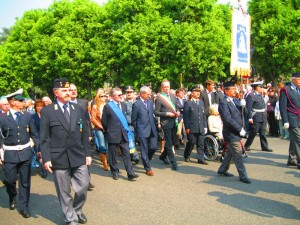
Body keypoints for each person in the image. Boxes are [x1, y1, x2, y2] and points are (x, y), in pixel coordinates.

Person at [40, 78, 92, 225]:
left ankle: (77, 210)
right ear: (56, 92)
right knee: (64, 192)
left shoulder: (78, 109)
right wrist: (46, 158)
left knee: (83, 186)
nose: (68, 92)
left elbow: (84, 133)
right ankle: (70, 218)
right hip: (59, 157)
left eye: (69, 90)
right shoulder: (48, 111)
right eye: (64, 90)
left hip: (78, 155)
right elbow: (45, 138)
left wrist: (87, 154)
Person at [0, 88, 39, 218]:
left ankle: (24, 207)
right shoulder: (3, 118)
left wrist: (39, 150)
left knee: (25, 182)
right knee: (10, 180)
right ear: (12, 102)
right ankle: (12, 196)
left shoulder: (27, 116)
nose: (24, 102)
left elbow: (34, 134)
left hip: (25, 153)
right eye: (21, 100)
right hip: (10, 154)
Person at [101, 87, 139, 181]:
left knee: (126, 153)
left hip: (123, 133)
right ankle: (114, 171)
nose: (121, 96)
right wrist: (109, 130)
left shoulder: (124, 105)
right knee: (113, 154)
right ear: (113, 96)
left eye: (121, 94)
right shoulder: (108, 106)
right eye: (118, 95)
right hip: (113, 133)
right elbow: (104, 122)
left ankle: (130, 173)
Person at [217, 82, 251, 184]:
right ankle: (243, 175)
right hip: (231, 133)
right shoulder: (223, 102)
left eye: (235, 89)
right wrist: (239, 129)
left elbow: (245, 113)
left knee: (230, 153)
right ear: (226, 91)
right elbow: (227, 119)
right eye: (232, 89)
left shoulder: (236, 100)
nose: (235, 91)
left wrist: (244, 106)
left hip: (237, 131)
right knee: (238, 154)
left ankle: (222, 169)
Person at [132, 86, 158, 176]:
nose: (150, 96)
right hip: (142, 130)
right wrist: (138, 130)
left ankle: (146, 159)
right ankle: (148, 168)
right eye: (148, 94)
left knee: (154, 147)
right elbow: (134, 119)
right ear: (142, 94)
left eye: (150, 94)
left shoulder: (150, 103)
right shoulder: (136, 104)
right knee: (144, 149)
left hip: (152, 129)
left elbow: (152, 115)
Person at [155, 80, 180, 170]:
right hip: (166, 123)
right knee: (169, 143)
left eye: (168, 87)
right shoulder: (159, 98)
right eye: (165, 87)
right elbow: (156, 112)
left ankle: (162, 156)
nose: (167, 88)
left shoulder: (173, 97)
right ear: (162, 88)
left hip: (174, 122)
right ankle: (174, 163)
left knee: (173, 141)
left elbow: (177, 108)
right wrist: (166, 114)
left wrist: (177, 112)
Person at [244, 81, 273, 152]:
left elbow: (264, 105)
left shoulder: (260, 95)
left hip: (262, 115)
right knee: (253, 132)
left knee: (263, 132)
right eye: (260, 87)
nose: (262, 88)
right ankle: (247, 145)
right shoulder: (251, 96)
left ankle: (265, 146)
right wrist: (250, 117)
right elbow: (248, 108)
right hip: (256, 116)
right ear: (256, 87)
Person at [183, 84, 208, 164]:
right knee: (192, 142)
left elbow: (203, 115)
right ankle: (187, 155)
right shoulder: (188, 103)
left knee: (201, 143)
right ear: (192, 93)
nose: (198, 93)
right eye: (196, 91)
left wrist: (205, 126)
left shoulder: (201, 102)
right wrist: (187, 127)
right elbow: (186, 116)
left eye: (199, 91)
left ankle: (201, 159)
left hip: (200, 126)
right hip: (192, 126)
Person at [279, 72, 300, 168]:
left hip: (298, 117)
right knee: (298, 139)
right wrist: (285, 121)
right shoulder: (285, 90)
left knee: (294, 140)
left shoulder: (298, 89)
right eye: (299, 79)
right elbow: (282, 106)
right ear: (293, 79)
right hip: (291, 118)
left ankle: (292, 159)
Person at [90, 88, 108, 171]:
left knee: (107, 146)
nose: (104, 97)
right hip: (99, 128)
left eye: (105, 96)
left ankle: (107, 159)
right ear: (98, 97)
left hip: (108, 128)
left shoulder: (108, 106)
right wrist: (100, 126)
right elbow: (93, 119)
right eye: (101, 96)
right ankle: (104, 163)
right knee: (102, 145)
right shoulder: (95, 106)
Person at [31, 99, 48, 178]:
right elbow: (33, 130)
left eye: (41, 106)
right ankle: (43, 170)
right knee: (40, 154)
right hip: (37, 137)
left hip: (47, 137)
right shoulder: (33, 117)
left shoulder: (47, 115)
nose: (40, 108)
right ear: (35, 107)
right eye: (38, 106)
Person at [124, 85, 140, 164]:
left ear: (134, 93)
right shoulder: (123, 103)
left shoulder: (138, 102)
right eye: (127, 92)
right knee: (131, 141)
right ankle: (135, 156)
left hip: (139, 125)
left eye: (130, 92)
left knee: (136, 141)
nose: (129, 93)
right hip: (129, 125)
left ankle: (131, 155)